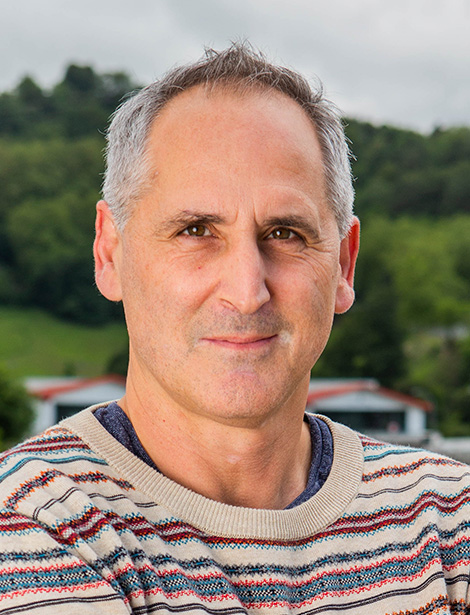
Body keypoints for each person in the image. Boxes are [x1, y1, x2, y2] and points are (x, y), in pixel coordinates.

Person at [0, 43, 469, 615]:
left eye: (285, 234)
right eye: (196, 230)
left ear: (344, 264)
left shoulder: (450, 517)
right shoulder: (34, 523)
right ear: (109, 252)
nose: (247, 292)